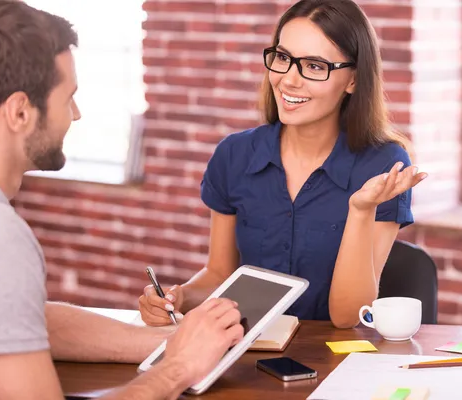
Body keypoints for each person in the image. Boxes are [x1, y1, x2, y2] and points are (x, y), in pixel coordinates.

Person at [0, 1, 244, 399]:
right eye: (68, 97)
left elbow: (16, 318)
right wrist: (179, 368)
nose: (76, 114)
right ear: (19, 112)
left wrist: (171, 341)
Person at [139, 0, 428, 329]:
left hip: (334, 357)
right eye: (283, 58)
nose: (289, 80)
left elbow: (349, 315)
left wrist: (361, 210)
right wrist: (179, 297)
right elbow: (220, 273)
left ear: (353, 80)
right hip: (246, 348)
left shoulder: (384, 164)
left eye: (315, 66)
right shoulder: (234, 155)